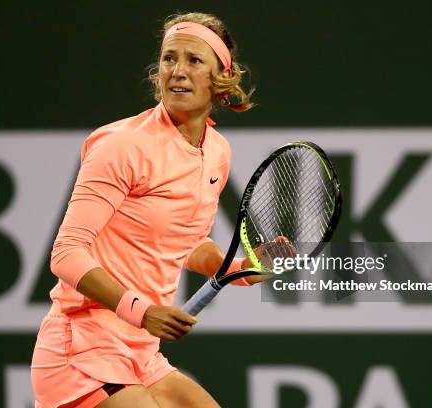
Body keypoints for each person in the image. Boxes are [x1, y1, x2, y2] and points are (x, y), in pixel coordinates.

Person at [31, 12, 262, 408]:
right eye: (169, 58)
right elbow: (67, 253)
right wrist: (143, 311)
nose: (178, 71)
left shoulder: (217, 152)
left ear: (220, 78)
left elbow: (187, 244)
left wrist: (240, 269)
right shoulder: (121, 145)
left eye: (194, 61)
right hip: (81, 351)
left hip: (141, 354)